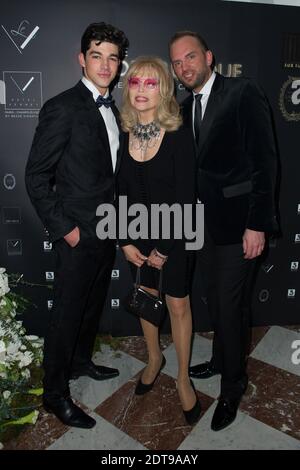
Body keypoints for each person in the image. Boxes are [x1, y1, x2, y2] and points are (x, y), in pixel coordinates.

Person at [169, 31, 278, 431]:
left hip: (239, 224)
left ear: (209, 57)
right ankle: (220, 359)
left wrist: (257, 223)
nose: (184, 67)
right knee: (214, 300)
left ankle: (233, 386)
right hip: (202, 227)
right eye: (177, 63)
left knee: (231, 307)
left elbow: (265, 162)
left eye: (190, 57)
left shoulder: (242, 91)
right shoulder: (182, 107)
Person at [25, 22, 129, 429]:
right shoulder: (62, 106)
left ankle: (82, 361)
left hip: (106, 230)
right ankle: (54, 394)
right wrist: (67, 230)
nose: (105, 65)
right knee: (67, 314)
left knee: (90, 307)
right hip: (77, 234)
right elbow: (36, 176)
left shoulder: (113, 107)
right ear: (81, 58)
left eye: (113, 57)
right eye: (97, 55)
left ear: (120, 64)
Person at [118, 56, 201, 425]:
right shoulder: (126, 132)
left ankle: (183, 378)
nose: (141, 90)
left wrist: (163, 248)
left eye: (151, 83)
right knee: (146, 298)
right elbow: (119, 192)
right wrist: (124, 240)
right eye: (135, 82)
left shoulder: (179, 132)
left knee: (178, 305)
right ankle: (154, 359)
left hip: (176, 234)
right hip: (136, 236)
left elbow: (186, 195)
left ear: (164, 89)